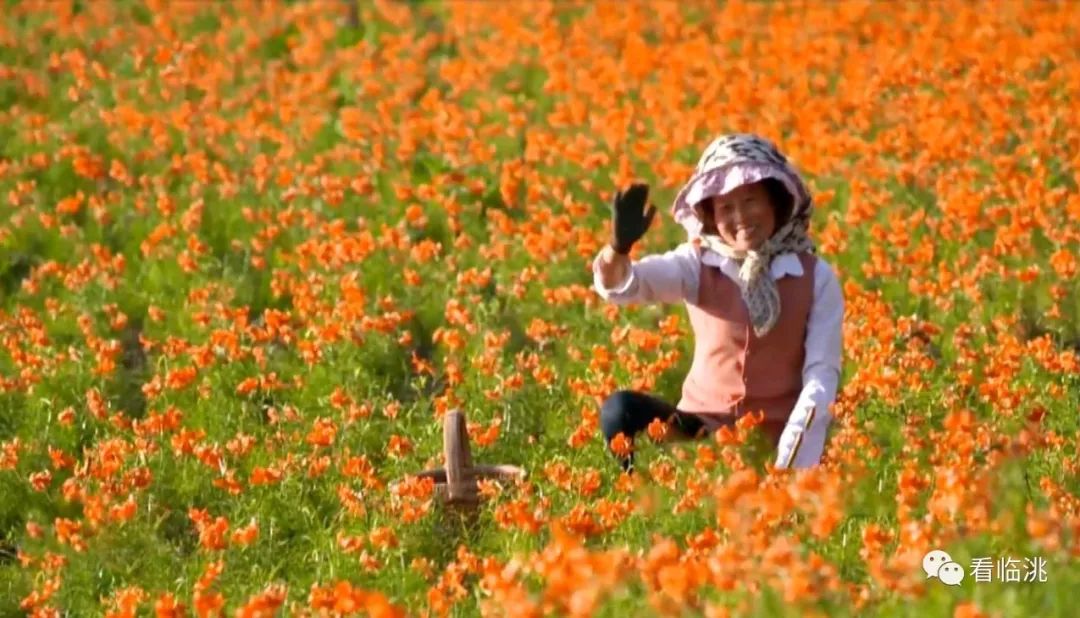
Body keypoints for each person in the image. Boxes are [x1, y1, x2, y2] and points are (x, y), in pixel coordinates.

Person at [592, 133, 844, 473]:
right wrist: (617, 249)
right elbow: (626, 286)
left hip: (773, 439)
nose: (740, 217)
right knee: (618, 411)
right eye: (726, 207)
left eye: (751, 201)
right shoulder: (699, 263)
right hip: (701, 431)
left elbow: (821, 376)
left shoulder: (816, 277)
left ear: (775, 202)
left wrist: (789, 465)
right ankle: (648, 502)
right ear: (710, 215)